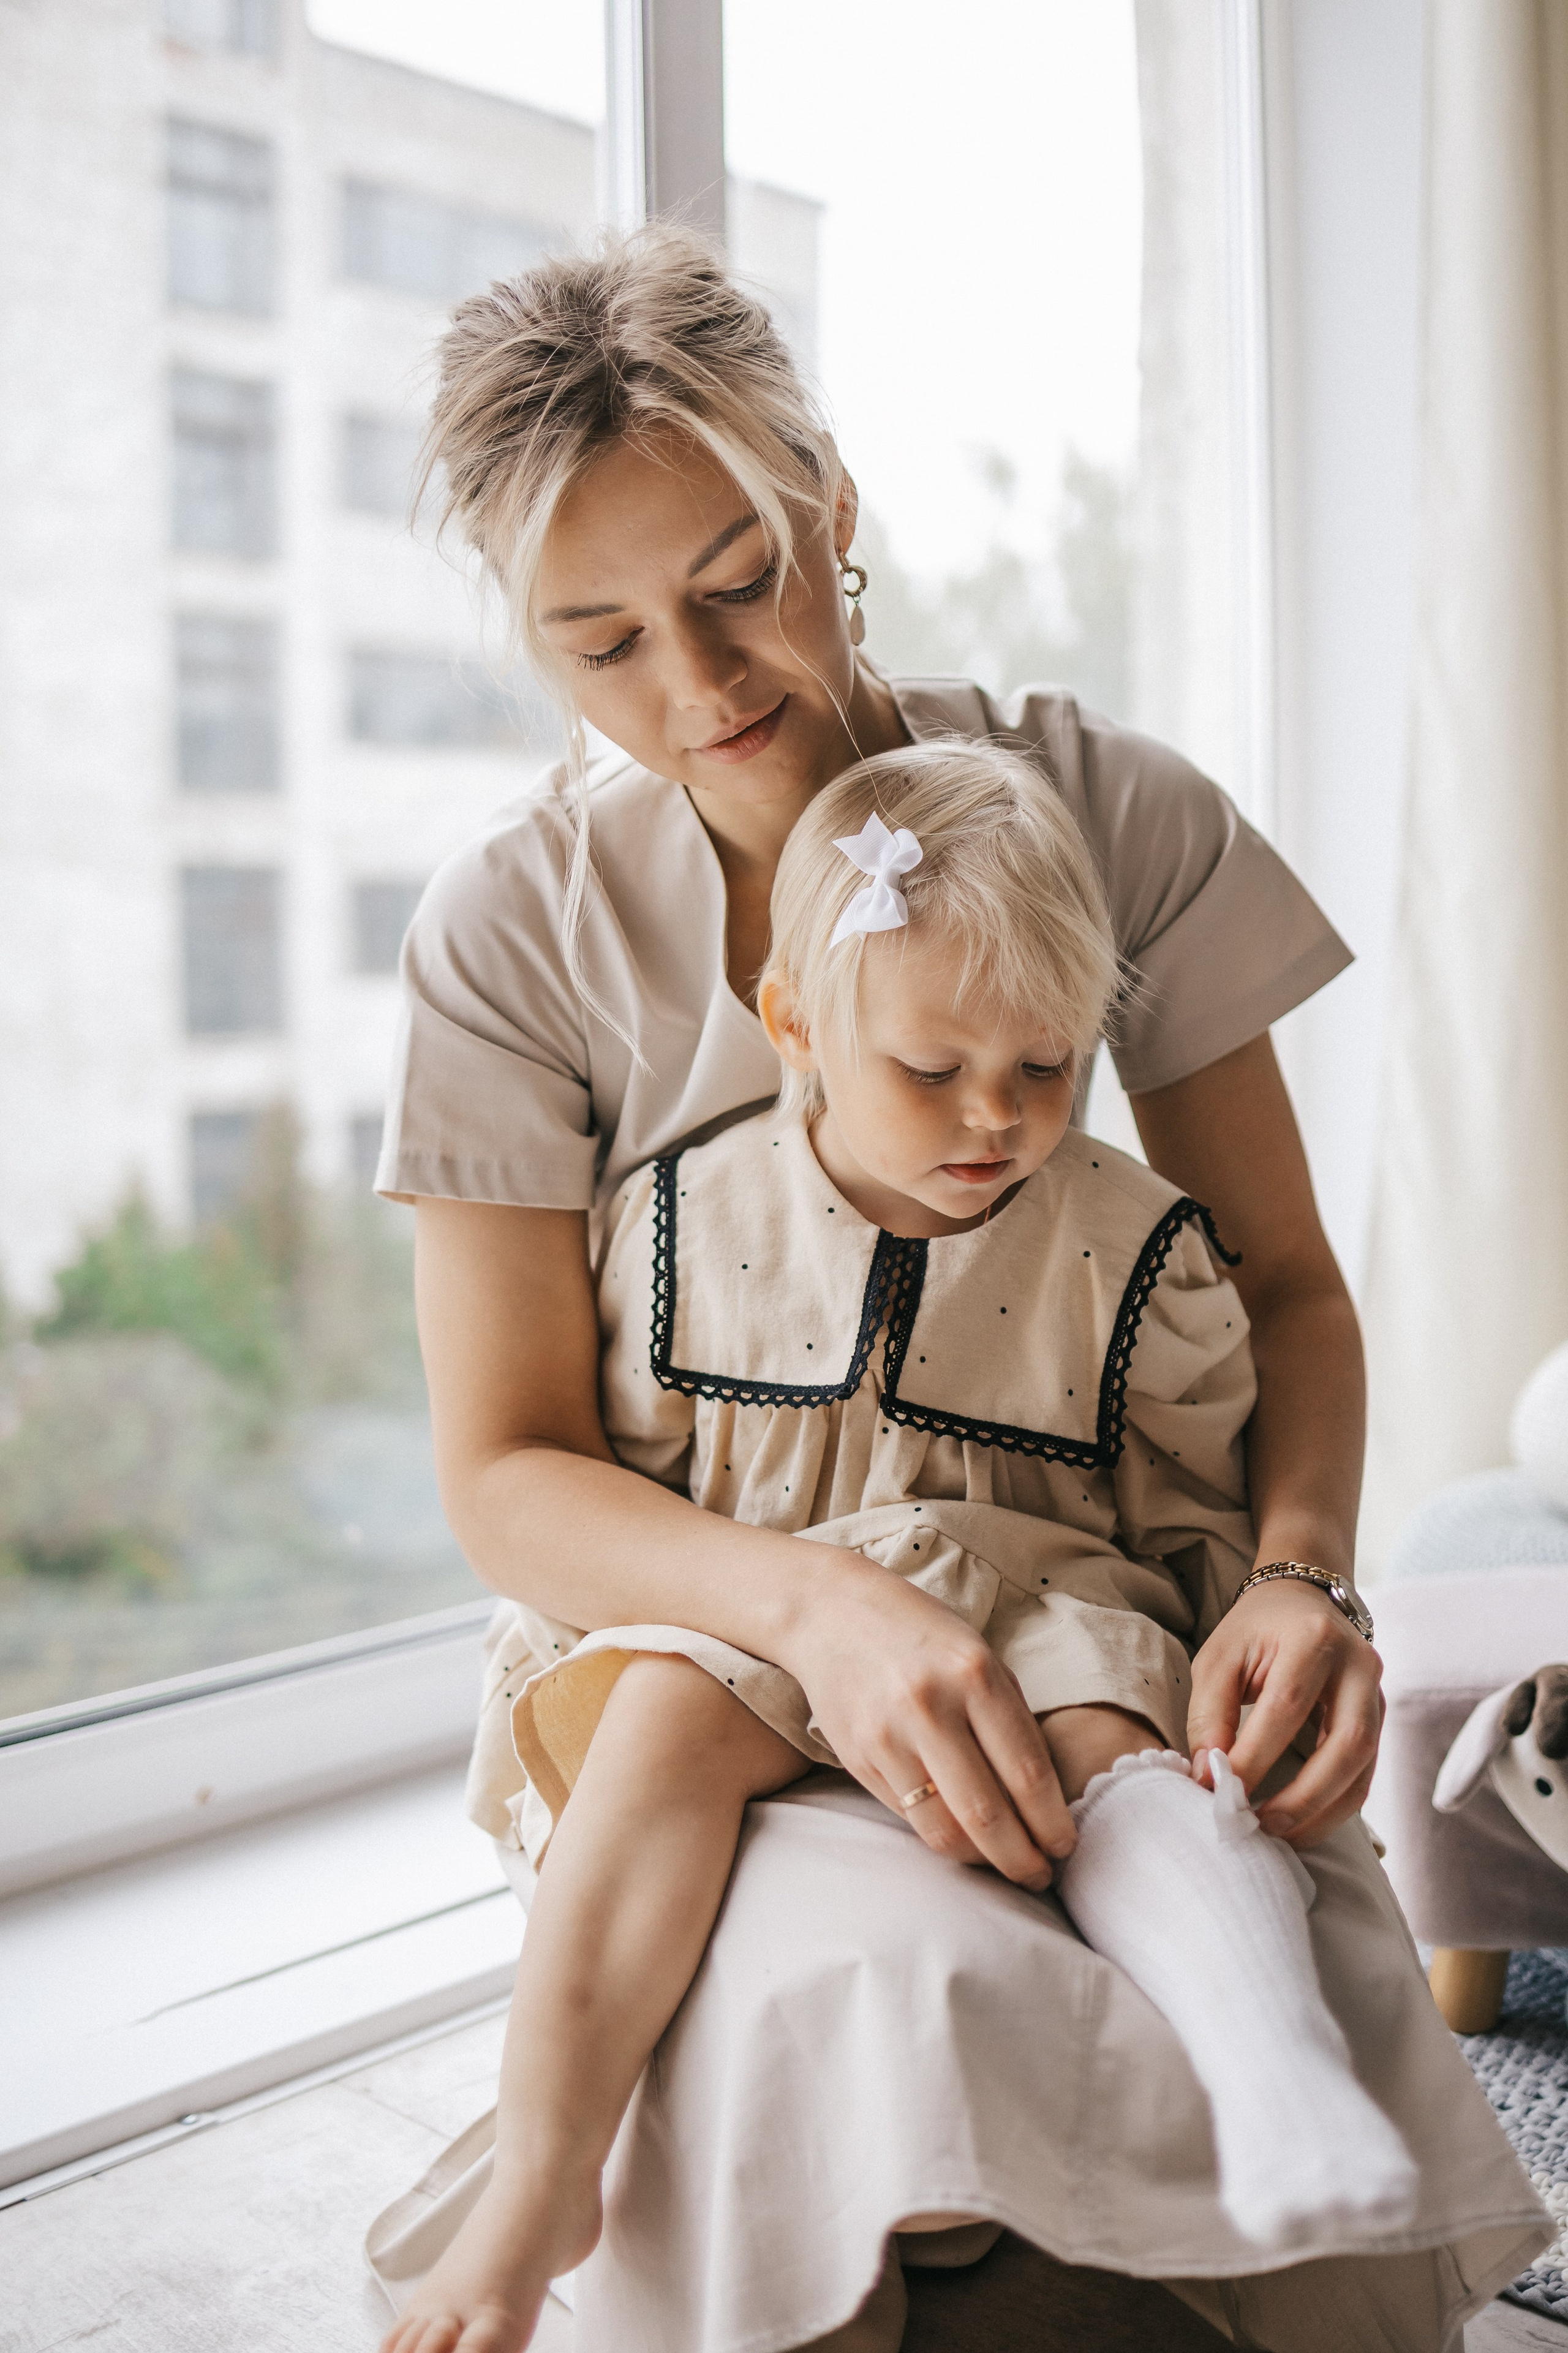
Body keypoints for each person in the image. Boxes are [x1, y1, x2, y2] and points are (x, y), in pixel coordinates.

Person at [369, 225, 1547, 2352]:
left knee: (1229, 1981)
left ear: (832, 498)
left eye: (740, 582)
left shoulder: (1110, 813)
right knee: (898, 2001)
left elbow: (1281, 1285)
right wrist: (824, 1609)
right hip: (705, 1652)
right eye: (602, 643)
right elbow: (508, 1467)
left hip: (1092, 1610)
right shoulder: (512, 936)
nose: (701, 687)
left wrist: (1303, 1582)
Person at [381, 741, 1434, 2353]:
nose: (994, 1117)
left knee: (1122, 1746)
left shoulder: (1124, 1244)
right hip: (764, 1615)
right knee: (664, 1710)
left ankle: (1273, 2074)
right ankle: (540, 2176)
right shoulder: (681, 1230)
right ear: (794, 1021)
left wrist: (1257, 1608)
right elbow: (619, 1496)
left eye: (1044, 1065)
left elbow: (1186, 1510)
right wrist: (739, 1612)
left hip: (1045, 1605)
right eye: (933, 1068)